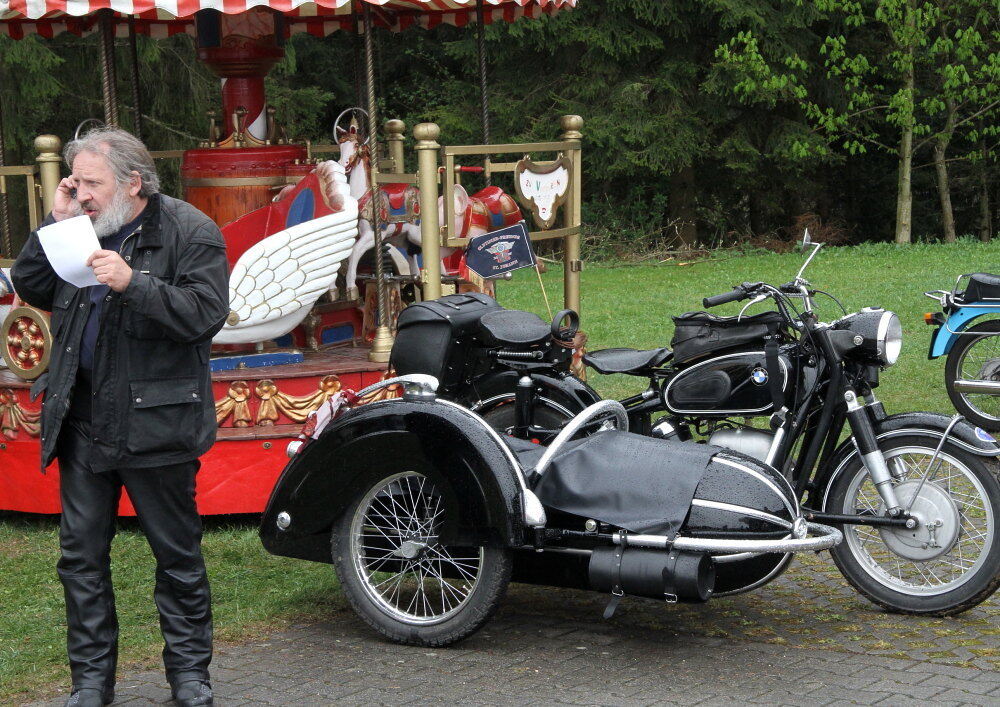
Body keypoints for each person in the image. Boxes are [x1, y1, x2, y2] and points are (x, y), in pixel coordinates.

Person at [12, 127, 229, 707]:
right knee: (80, 560)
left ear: (133, 183)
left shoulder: (189, 230)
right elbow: (31, 283)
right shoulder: (77, 229)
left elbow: (206, 315)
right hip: (82, 417)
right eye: (75, 182)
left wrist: (134, 283)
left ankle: (189, 679)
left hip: (156, 422)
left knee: (176, 556)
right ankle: (90, 684)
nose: (80, 193)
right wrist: (55, 221)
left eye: (90, 183)